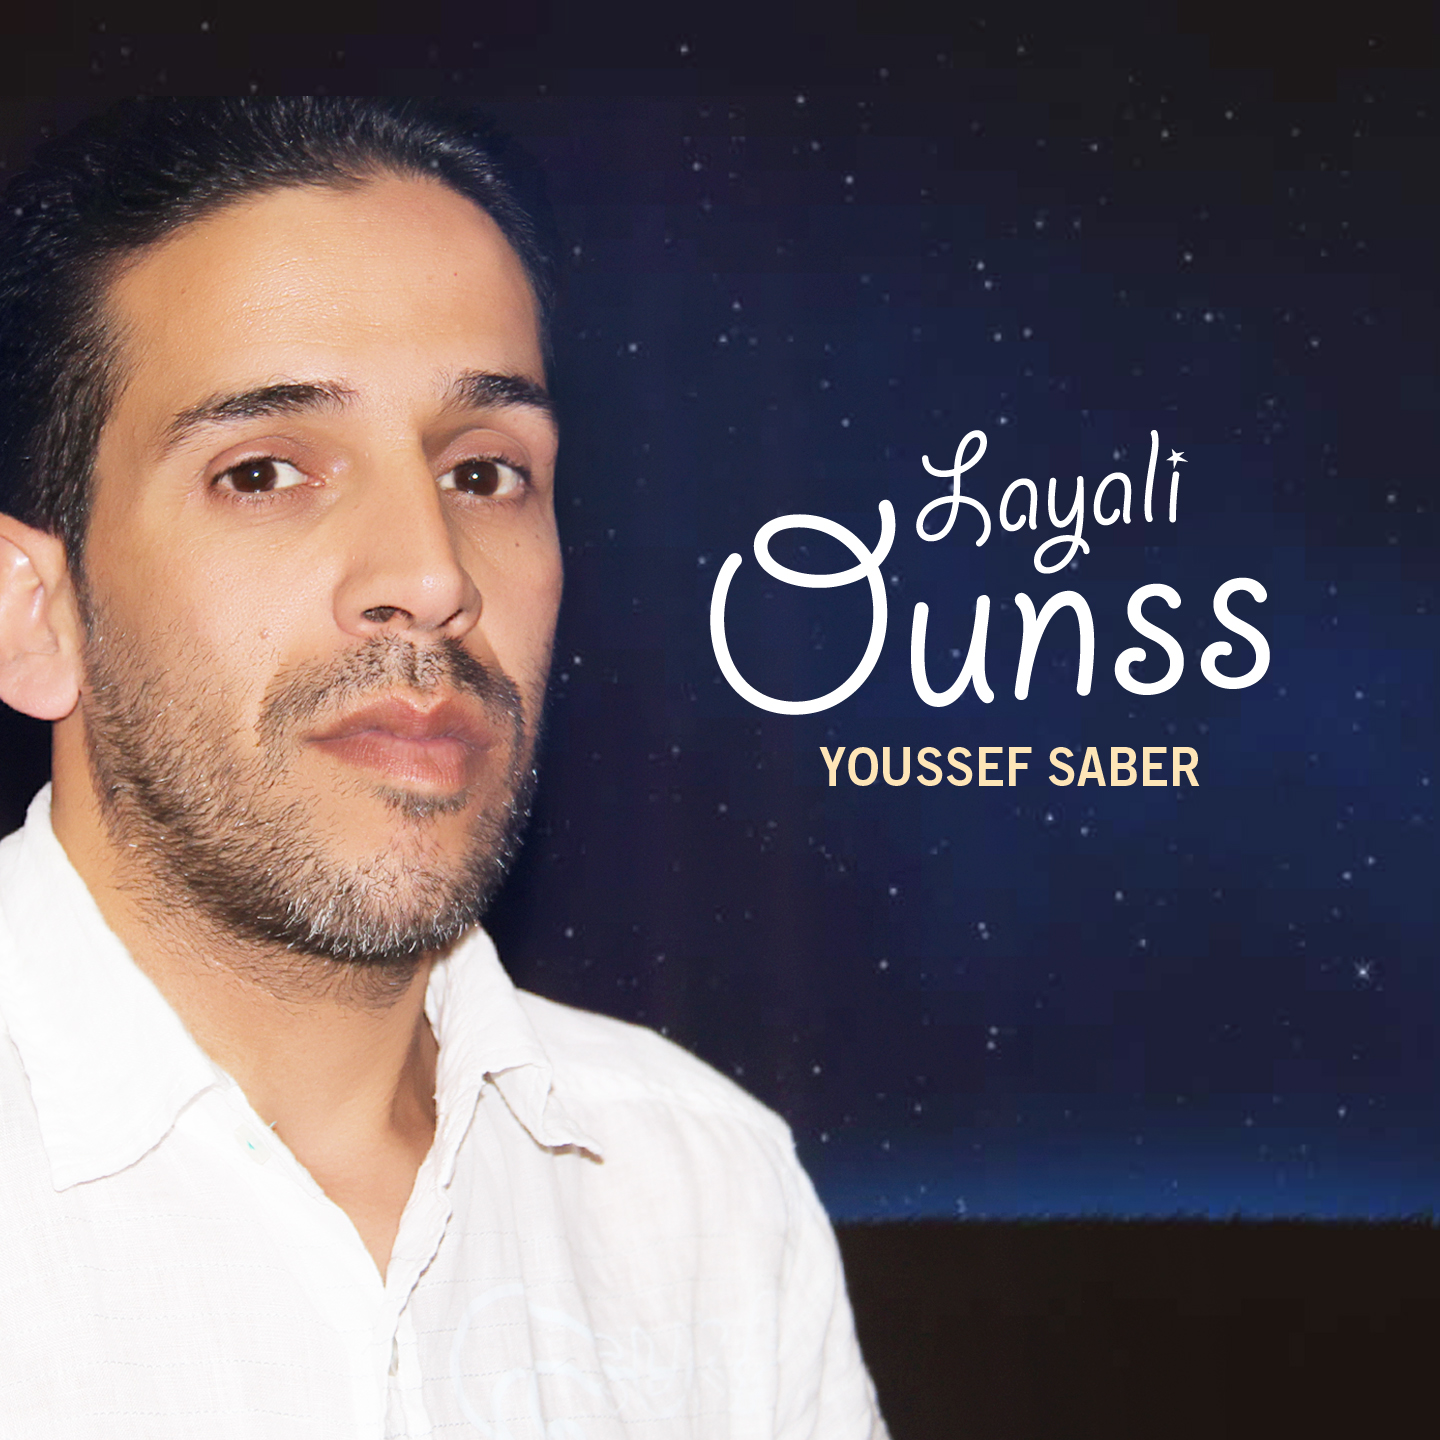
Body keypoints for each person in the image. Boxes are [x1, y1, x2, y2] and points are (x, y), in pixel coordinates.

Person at [0, 97, 885, 1438]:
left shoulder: (701, 1193)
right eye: (265, 472)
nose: (430, 575)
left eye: (483, 475)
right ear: (36, 614)